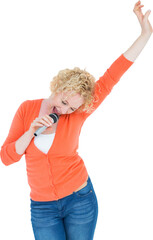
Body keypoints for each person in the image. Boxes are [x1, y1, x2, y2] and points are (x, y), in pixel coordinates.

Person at [0, 1, 152, 240]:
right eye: (64, 102)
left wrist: (145, 34)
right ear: (58, 86)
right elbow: (7, 157)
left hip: (80, 199)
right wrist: (30, 131)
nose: (65, 110)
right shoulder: (27, 109)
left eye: (72, 108)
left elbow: (114, 73)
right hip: (43, 208)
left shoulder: (78, 112)